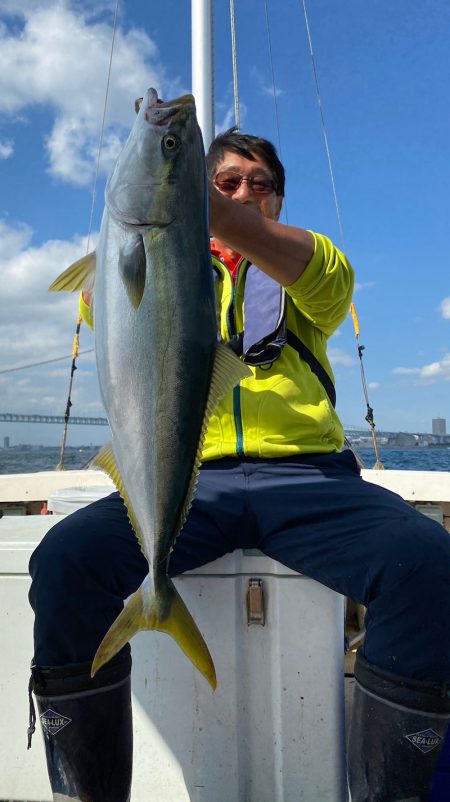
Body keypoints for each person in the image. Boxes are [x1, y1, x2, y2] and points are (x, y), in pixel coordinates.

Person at [28, 128, 450, 802]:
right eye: (224, 182)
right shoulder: (161, 257)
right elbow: (101, 304)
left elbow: (327, 278)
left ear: (279, 201)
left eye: (261, 184)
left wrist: (218, 214)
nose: (245, 192)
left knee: (428, 562)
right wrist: (153, 231)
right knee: (64, 560)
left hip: (308, 478)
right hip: (193, 481)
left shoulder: (304, 263)